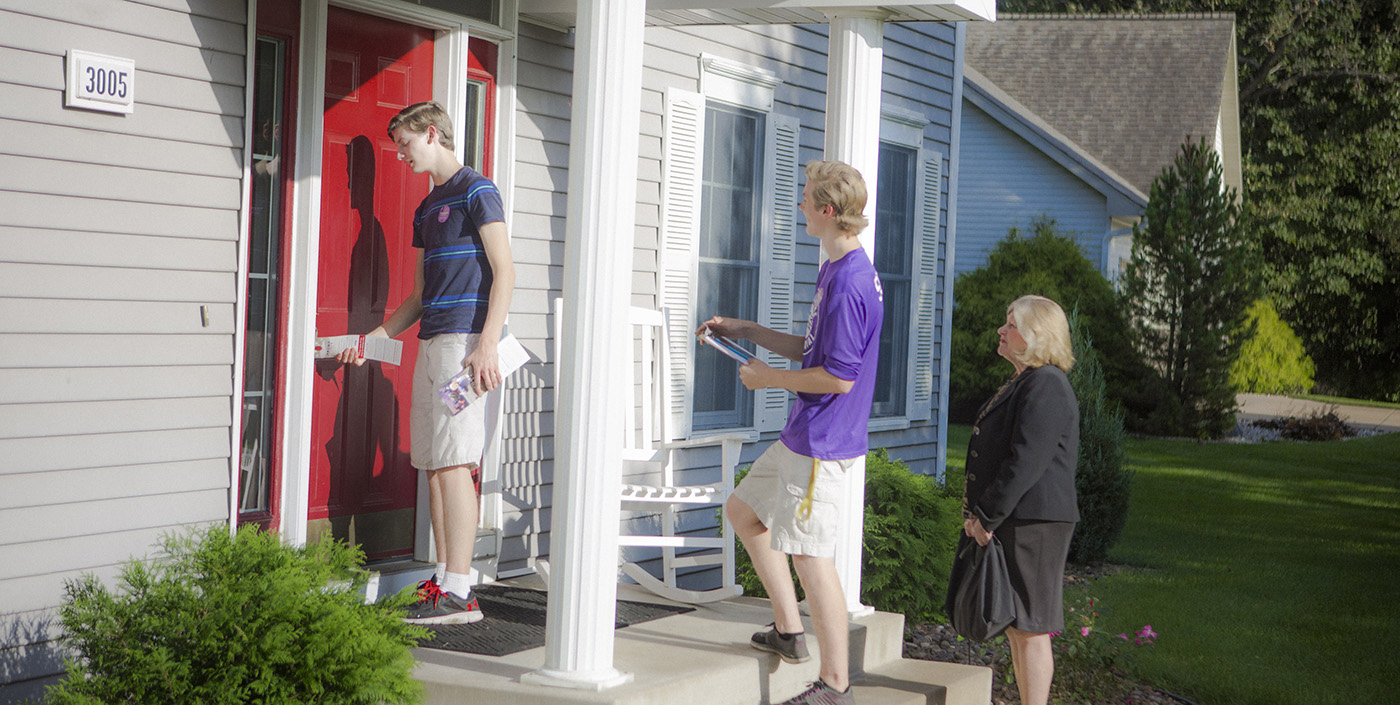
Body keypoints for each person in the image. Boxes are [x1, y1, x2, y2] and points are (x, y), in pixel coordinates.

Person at [699, 160, 883, 705]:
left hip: (823, 444)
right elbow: (816, 352)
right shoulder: (835, 267)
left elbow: (840, 378)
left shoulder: (850, 283)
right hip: (804, 432)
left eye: (806, 199)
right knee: (743, 510)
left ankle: (835, 686)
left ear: (827, 212)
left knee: (810, 558)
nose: (800, 205)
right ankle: (788, 629)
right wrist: (748, 331)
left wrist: (765, 379)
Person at [336, 101, 515, 625]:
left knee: (457, 462)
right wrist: (370, 340)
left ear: (432, 133)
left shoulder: (477, 189)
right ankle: (443, 582)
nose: (400, 154)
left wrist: (486, 344)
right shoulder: (425, 209)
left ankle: (462, 592)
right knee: (436, 466)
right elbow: (416, 298)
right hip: (433, 342)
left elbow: (504, 271)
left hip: (465, 346)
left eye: (405, 143)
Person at [957, 294, 1079, 705]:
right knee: (1018, 625)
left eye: (1011, 324)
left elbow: (1025, 460)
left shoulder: (1046, 384)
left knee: (1030, 624)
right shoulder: (1027, 380)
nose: (1001, 330)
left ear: (1035, 335)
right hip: (1019, 518)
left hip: (1035, 523)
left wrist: (986, 515)